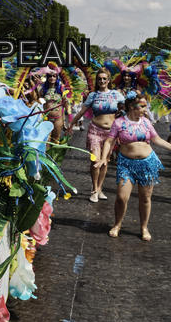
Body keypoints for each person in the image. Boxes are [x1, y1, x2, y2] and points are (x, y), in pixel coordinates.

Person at [102, 92, 171, 241]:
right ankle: (117, 224)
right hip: (126, 164)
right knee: (121, 197)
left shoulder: (146, 122)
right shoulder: (119, 122)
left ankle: (144, 227)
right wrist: (103, 158)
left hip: (147, 164)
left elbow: (156, 139)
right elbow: (109, 141)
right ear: (132, 107)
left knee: (145, 198)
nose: (146, 109)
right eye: (143, 106)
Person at [68, 68, 124, 203]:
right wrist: (71, 124)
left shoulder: (116, 95)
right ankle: (93, 189)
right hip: (95, 131)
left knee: (104, 162)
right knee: (95, 161)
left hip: (110, 134)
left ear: (109, 80)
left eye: (104, 78)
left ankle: (99, 188)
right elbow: (82, 111)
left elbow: (126, 108)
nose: (102, 81)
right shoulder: (93, 95)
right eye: (99, 79)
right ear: (97, 81)